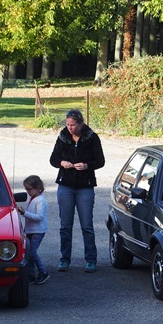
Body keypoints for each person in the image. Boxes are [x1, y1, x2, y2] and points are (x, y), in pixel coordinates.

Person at [49, 109, 105, 273]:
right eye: (67, 125)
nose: (70, 128)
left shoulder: (92, 138)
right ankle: (64, 260)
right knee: (65, 226)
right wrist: (62, 163)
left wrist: (87, 165)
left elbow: (100, 161)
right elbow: (53, 159)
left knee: (87, 225)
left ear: (80, 124)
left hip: (85, 186)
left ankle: (90, 260)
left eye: (73, 125)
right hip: (65, 185)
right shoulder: (62, 137)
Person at [18, 175, 49, 285]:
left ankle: (43, 272)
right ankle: (31, 275)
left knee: (32, 252)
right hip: (31, 230)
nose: (27, 191)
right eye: (26, 189)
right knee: (28, 253)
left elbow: (39, 217)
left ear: (37, 188)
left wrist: (24, 213)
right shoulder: (33, 198)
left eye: (29, 189)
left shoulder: (40, 200)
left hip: (38, 231)